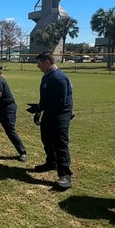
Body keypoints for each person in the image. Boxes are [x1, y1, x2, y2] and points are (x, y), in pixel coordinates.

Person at [26, 51, 74, 189]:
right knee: (46, 138)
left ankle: (65, 175)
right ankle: (51, 163)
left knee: (60, 143)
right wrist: (39, 109)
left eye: (39, 63)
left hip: (60, 114)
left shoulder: (59, 77)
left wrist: (41, 107)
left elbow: (60, 102)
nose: (37, 66)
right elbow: (47, 98)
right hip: (49, 112)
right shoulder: (47, 76)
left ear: (47, 62)